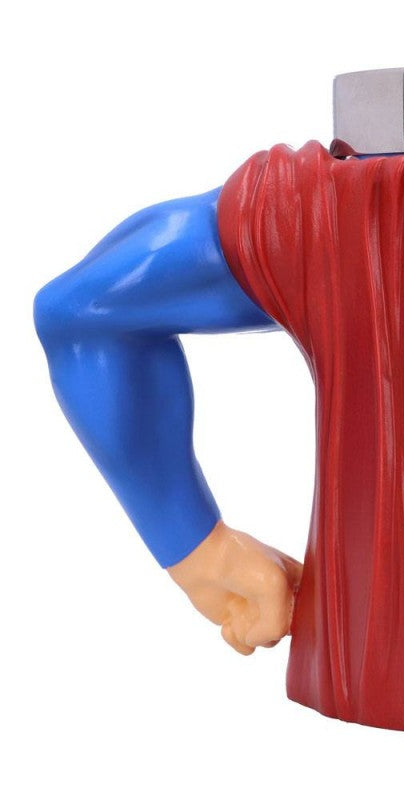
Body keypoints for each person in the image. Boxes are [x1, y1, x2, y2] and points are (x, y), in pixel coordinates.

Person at [33, 187, 302, 656]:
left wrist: (199, 551)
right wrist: (200, 550)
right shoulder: (356, 216)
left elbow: (81, 314)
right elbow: (82, 314)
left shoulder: (353, 216)